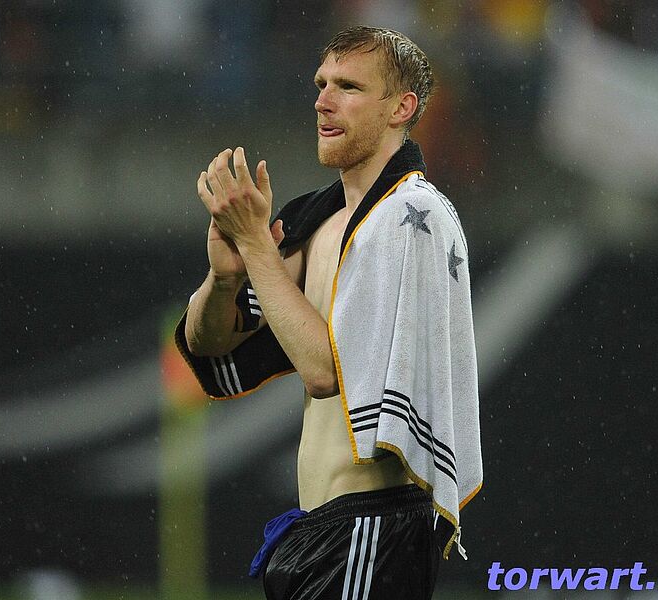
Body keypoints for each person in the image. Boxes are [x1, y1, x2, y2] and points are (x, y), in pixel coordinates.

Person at [176, 26, 482, 599]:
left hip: (373, 528)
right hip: (321, 529)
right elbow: (210, 345)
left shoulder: (413, 216)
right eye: (321, 84)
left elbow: (324, 372)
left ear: (401, 108)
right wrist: (226, 276)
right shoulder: (316, 218)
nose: (323, 101)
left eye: (348, 87)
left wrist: (257, 247)